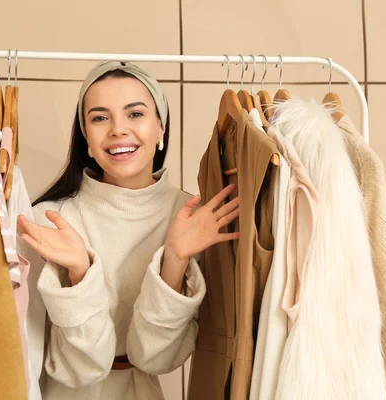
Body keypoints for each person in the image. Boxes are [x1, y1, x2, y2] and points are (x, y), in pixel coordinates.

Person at [17, 61, 240, 399]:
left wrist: (176, 258)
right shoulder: (48, 219)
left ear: (161, 129)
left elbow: (157, 358)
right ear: (87, 140)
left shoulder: (196, 218)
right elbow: (77, 368)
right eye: (100, 117)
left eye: (135, 114)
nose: (118, 129)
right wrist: (79, 271)